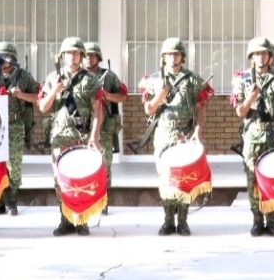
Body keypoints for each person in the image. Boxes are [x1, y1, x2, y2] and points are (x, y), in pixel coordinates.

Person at [140, 37, 212, 236]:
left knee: (184, 178)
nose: (173, 58)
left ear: (182, 57)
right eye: (169, 54)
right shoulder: (154, 80)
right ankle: (168, 220)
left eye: (176, 54)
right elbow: (148, 109)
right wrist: (160, 96)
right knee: (166, 178)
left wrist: (198, 132)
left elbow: (201, 108)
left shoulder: (192, 80)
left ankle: (182, 221)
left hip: (185, 134)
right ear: (163, 57)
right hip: (164, 135)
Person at [231, 36, 274, 237]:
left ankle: (272, 220)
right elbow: (240, 112)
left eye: (264, 53)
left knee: (273, 178)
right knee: (253, 179)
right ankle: (257, 220)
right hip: (252, 137)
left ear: (270, 56)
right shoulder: (242, 80)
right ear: (251, 57)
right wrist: (251, 97)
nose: (260, 57)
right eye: (256, 53)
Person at [38, 37, 104, 236]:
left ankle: (81, 220)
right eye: (69, 52)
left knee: (81, 180)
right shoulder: (52, 78)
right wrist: (55, 91)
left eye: (77, 53)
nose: (73, 56)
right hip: (59, 138)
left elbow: (98, 111)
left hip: (81, 138)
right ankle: (65, 220)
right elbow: (42, 108)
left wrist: (94, 137)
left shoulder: (90, 80)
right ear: (63, 55)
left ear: (82, 56)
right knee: (61, 181)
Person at [0, 41, 39, 216]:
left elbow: (39, 97)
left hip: (15, 125)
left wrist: (21, 95)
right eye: (1, 57)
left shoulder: (24, 76)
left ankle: (11, 199)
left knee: (14, 165)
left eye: (7, 57)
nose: (5, 60)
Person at [83, 41, 128, 209]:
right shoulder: (78, 75)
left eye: (92, 55)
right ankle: (87, 198)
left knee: (104, 163)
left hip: (105, 127)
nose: (89, 58)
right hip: (82, 127)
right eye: (86, 55)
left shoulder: (108, 76)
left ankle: (103, 198)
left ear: (98, 57)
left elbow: (123, 96)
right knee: (84, 164)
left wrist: (107, 95)